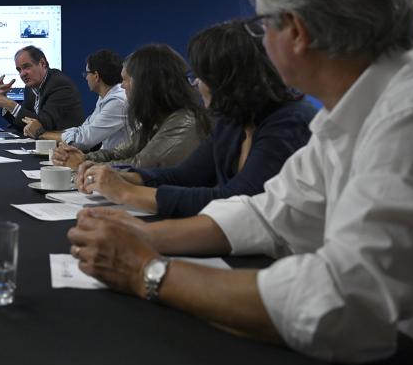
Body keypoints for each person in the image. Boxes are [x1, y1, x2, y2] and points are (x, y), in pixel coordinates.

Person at [67, 0, 413, 363]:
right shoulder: (354, 112)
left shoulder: (411, 119)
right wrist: (140, 232)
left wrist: (147, 270)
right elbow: (271, 213)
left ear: (295, 32)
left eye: (262, 26)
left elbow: (345, 310)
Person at [79, 21, 315, 218]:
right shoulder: (232, 121)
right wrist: (124, 176)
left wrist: (127, 193)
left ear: (230, 80)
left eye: (201, 76)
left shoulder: (287, 123)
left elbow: (237, 201)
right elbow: (184, 176)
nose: (195, 84)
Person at [54, 44, 210, 171]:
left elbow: (140, 165)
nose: (122, 85)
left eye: (126, 80)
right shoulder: (158, 117)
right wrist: (85, 158)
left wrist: (83, 165)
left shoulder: (183, 121)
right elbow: (120, 152)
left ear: (145, 84)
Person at [0, 45, 85, 138]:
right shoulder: (30, 88)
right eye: (19, 70)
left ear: (42, 63)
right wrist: (4, 102)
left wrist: (11, 104)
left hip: (69, 149)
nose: (22, 74)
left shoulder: (59, 84)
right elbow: (24, 123)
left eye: (26, 67)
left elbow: (44, 124)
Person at [37, 49, 128, 151]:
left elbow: (83, 141)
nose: (86, 78)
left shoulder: (117, 102)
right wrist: (44, 133)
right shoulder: (106, 96)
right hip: (108, 157)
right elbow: (83, 130)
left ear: (96, 76)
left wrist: (42, 134)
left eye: (87, 73)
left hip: (120, 164)